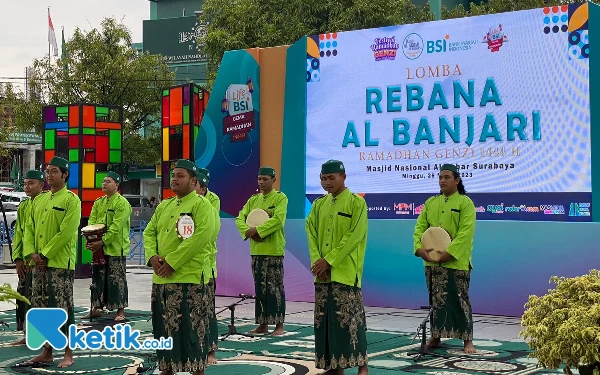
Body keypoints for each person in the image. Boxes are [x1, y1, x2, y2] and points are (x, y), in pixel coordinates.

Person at [144, 159, 216, 375]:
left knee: (192, 329)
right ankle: (166, 368)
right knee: (164, 327)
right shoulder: (165, 205)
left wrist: (172, 263)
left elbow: (200, 237)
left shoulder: (202, 206)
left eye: (180, 175)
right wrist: (153, 257)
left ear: (194, 181)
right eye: (173, 175)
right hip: (162, 279)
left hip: (189, 278)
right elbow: (149, 232)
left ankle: (196, 370)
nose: (175, 179)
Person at [306, 159, 369, 375]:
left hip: (345, 272)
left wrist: (329, 261)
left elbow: (354, 236)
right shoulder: (318, 205)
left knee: (351, 320)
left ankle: (363, 366)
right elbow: (311, 233)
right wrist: (318, 262)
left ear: (343, 176)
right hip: (322, 274)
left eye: (331, 178)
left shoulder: (356, 203)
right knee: (325, 323)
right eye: (323, 178)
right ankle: (335, 367)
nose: (327, 182)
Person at [22, 157, 81, 368]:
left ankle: (68, 353)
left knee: (62, 307)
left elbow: (66, 232)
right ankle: (47, 352)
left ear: (65, 174)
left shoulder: (72, 200)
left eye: (54, 171)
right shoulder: (40, 200)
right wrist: (31, 253)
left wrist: (45, 254)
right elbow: (28, 227)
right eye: (47, 171)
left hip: (59, 264)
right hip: (38, 263)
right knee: (41, 307)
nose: (49, 175)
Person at [413, 163, 477, 354]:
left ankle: (467, 340)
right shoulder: (431, 203)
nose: (442, 180)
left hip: (456, 262)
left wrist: (448, 254)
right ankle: (436, 335)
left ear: (457, 180)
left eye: (447, 177)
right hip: (431, 261)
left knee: (459, 300)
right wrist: (420, 249)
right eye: (440, 177)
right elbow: (419, 229)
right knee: (436, 300)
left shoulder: (465, 203)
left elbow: (465, 234)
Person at [235, 166, 288, 336]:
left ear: (274, 180)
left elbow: (278, 220)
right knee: (260, 289)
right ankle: (262, 324)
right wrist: (247, 231)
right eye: (259, 179)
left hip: (273, 250)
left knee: (275, 288)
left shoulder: (280, 198)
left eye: (265, 179)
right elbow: (240, 218)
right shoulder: (253, 200)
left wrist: (257, 230)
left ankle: (279, 325)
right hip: (256, 251)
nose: (262, 182)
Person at [83, 171, 132, 322]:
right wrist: (90, 239)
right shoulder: (99, 202)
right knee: (98, 277)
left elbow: (116, 227)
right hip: (99, 247)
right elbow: (92, 222)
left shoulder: (122, 203)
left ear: (116, 185)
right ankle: (97, 308)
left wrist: (102, 241)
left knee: (116, 279)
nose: (104, 183)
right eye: (103, 181)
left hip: (116, 248)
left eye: (108, 181)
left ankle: (120, 310)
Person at [11, 170, 45, 346]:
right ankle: (26, 333)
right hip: (25, 259)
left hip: (38, 259)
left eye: (31, 183)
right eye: (25, 184)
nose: (27, 187)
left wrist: (36, 255)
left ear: (41, 184)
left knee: (37, 298)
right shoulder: (24, 205)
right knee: (23, 295)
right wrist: (18, 258)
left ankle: (39, 335)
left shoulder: (45, 202)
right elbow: (19, 233)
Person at [195, 167, 221, 364]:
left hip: (205, 266)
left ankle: (210, 350)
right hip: (184, 268)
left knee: (207, 309)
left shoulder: (211, 202)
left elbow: (205, 232)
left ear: (202, 188)